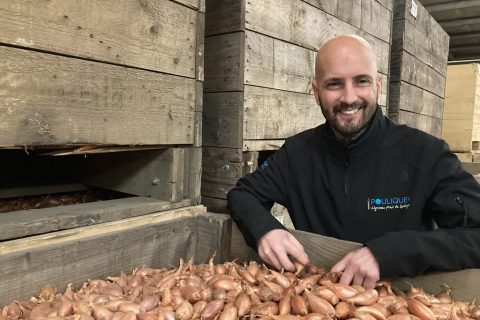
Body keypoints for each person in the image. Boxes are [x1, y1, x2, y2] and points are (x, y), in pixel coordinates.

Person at [227, 34, 480, 289]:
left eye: (361, 81)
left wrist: (390, 254)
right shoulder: (298, 154)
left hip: (399, 303)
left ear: (378, 85)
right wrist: (264, 229)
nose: (349, 98)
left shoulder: (426, 154)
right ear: (316, 92)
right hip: (321, 303)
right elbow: (243, 194)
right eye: (334, 84)